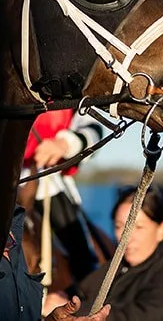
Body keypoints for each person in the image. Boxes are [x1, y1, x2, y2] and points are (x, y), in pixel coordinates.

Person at [46, 186, 163, 321]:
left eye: (139, 227)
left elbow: (149, 316)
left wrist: (70, 309)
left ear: (162, 230)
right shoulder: (116, 267)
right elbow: (79, 292)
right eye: (120, 227)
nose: (126, 238)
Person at [27, 110, 111, 284]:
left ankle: (86, 291)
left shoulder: (73, 88)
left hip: (46, 180)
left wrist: (64, 144)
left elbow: (94, 129)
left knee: (81, 256)